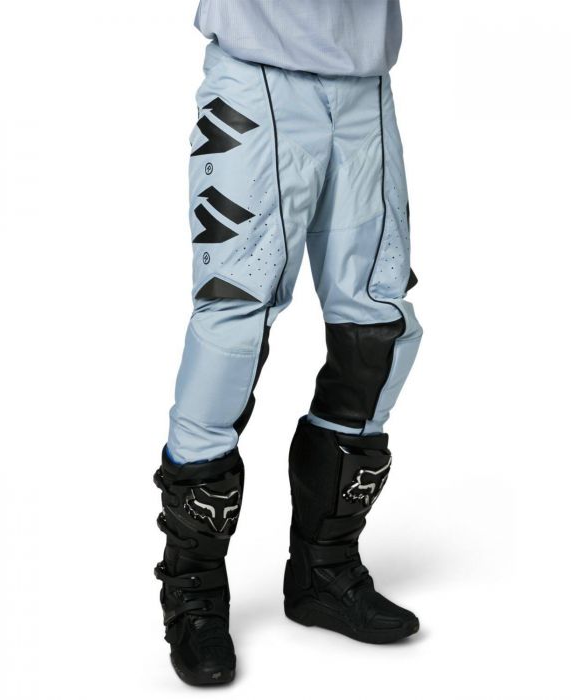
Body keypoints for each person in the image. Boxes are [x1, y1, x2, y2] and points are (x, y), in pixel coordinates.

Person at [153, 0, 423, 685]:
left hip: (365, 85)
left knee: (377, 329)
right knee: (232, 328)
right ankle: (193, 588)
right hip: (257, 76)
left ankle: (323, 568)